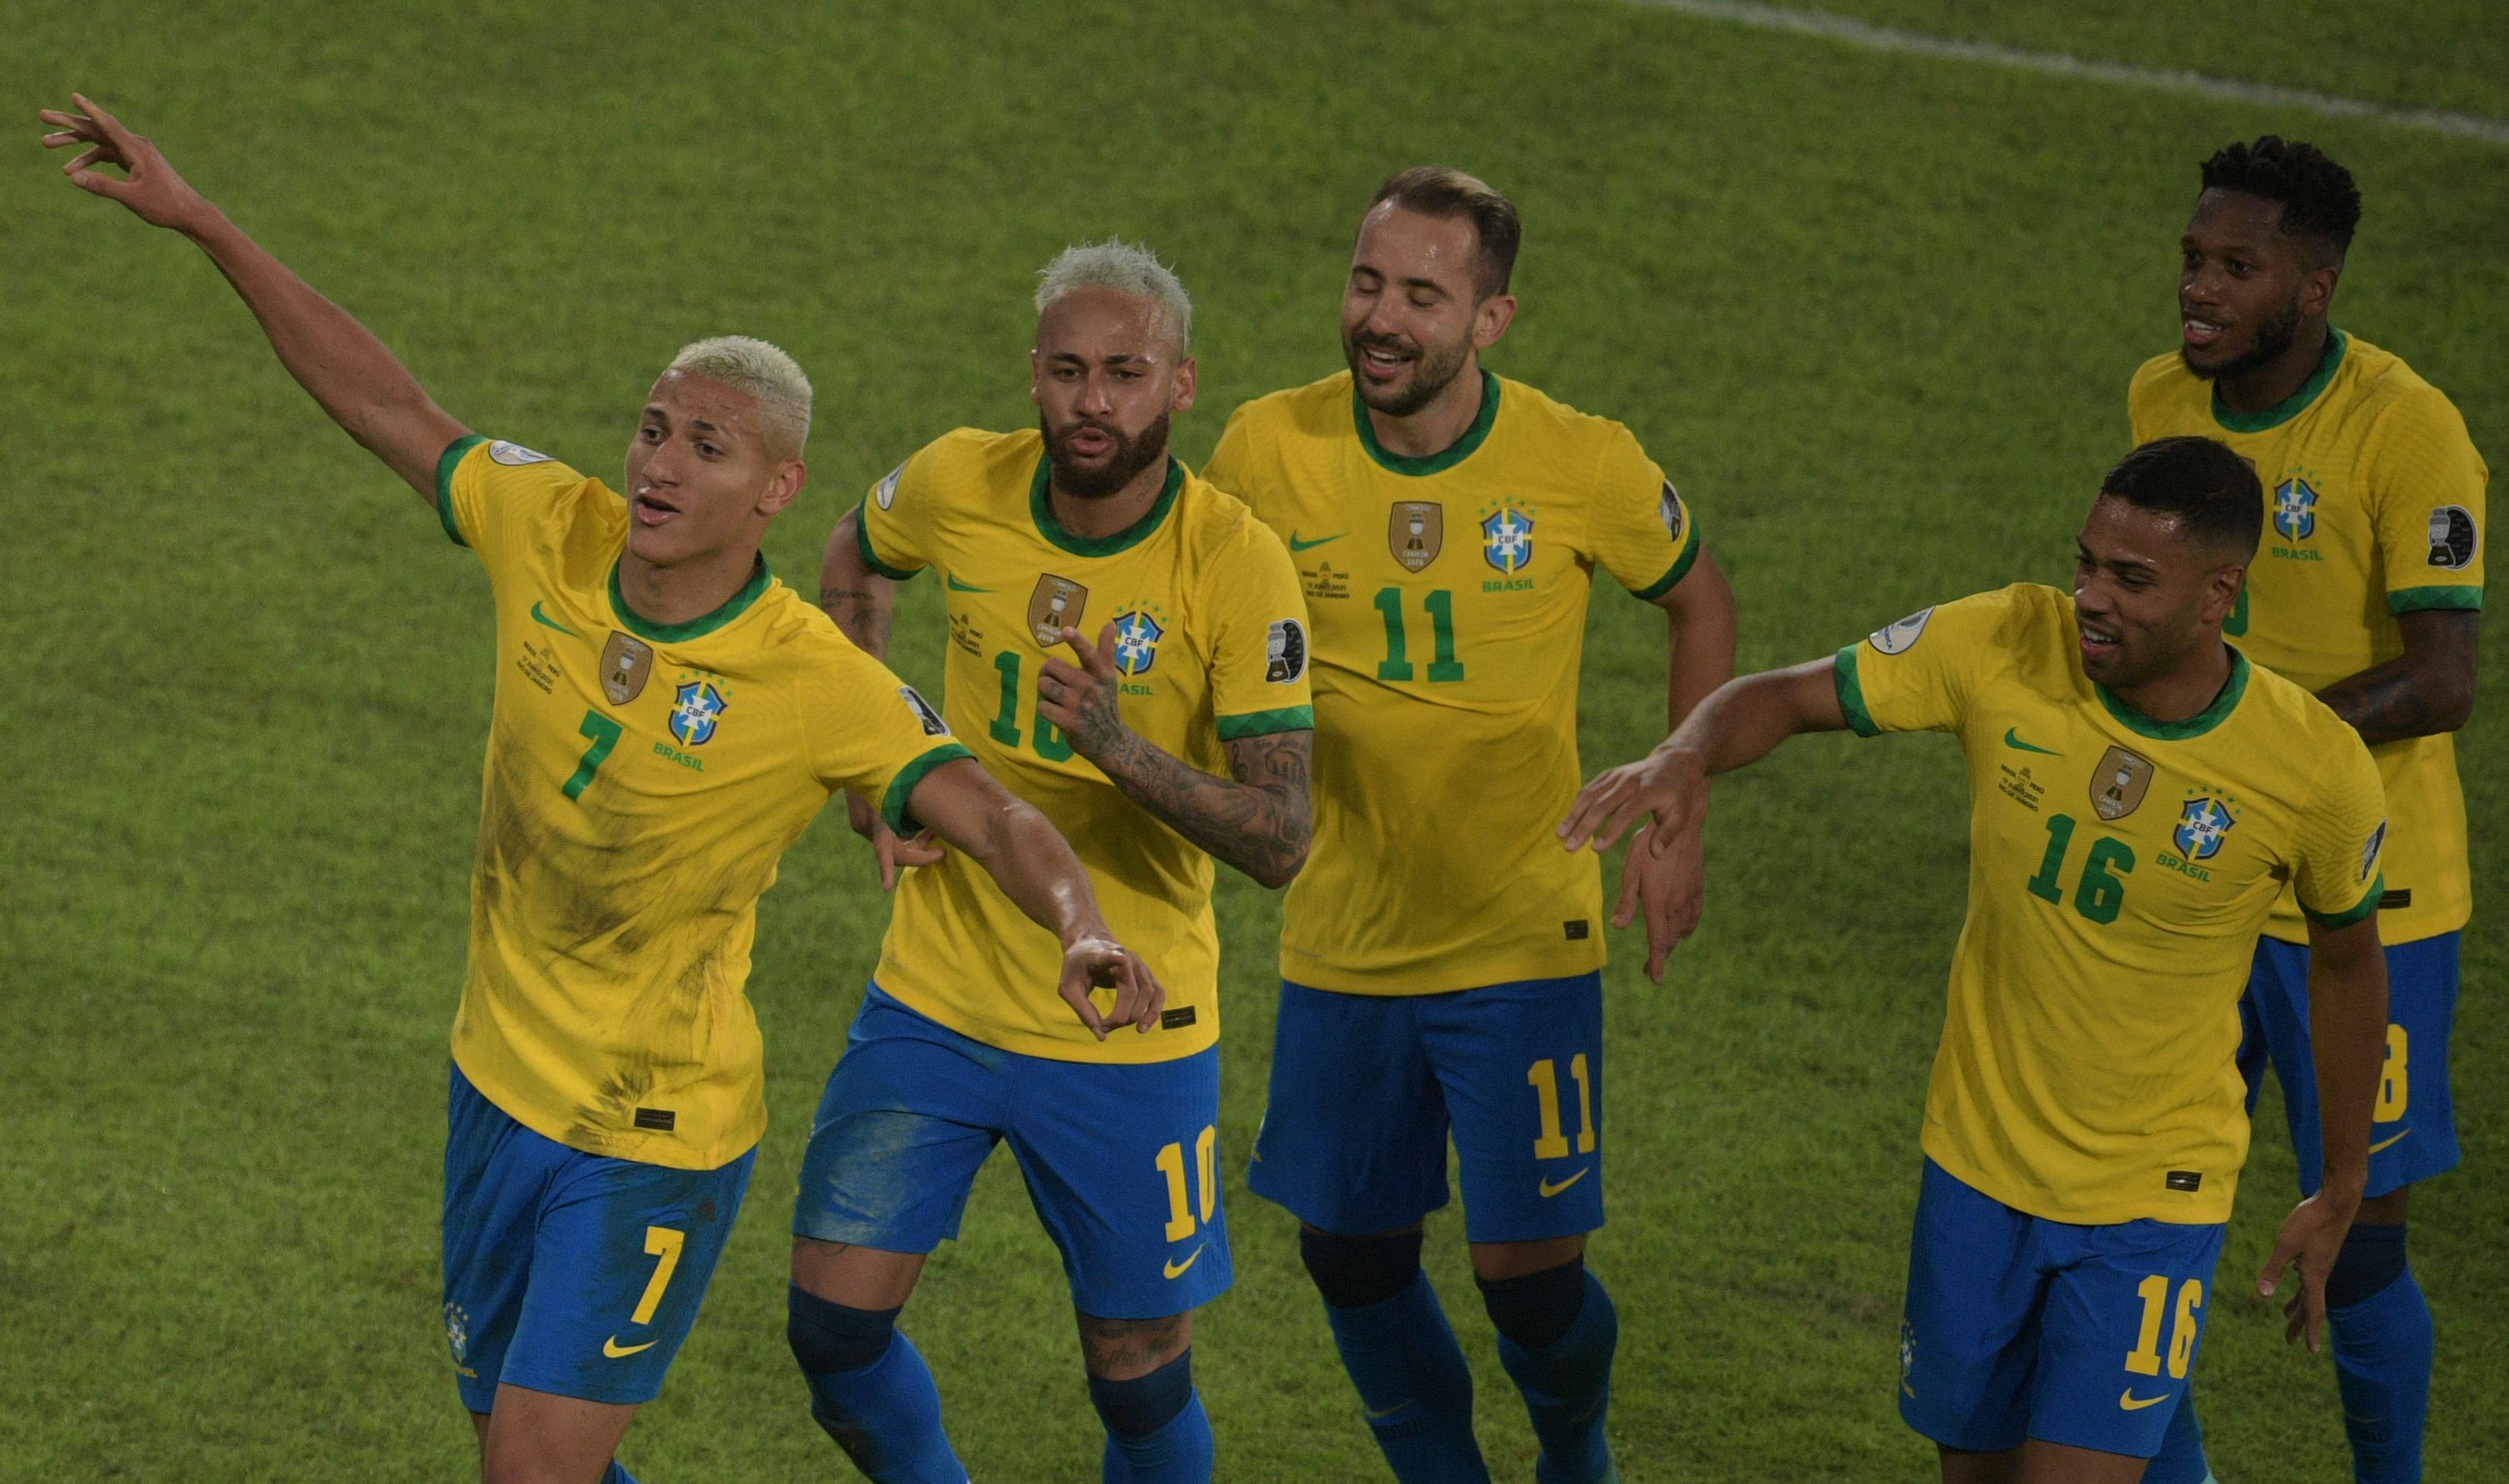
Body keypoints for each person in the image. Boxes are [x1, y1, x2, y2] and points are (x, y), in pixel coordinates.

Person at [39, 96, 1163, 1484]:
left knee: (529, 1471)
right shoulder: (545, 525)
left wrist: (1082, 923)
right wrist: (205, 220)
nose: (657, 464)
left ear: (774, 489)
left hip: (649, 1128)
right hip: (492, 1087)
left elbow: (989, 811)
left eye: (706, 446)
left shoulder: (813, 677)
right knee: (501, 1444)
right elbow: (387, 403)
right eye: (653, 427)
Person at [1563, 437, 2391, 1484]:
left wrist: (2344, 1177)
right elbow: (1783, 695)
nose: (2089, 596)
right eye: (2084, 562)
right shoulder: (2005, 639)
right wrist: (1682, 755)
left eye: (2130, 579)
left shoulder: (2311, 769)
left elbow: (2349, 964)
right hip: (1975, 1169)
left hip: (2150, 1193)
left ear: (2219, 592)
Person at [1201, 167, 1738, 1484]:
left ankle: (1576, 1452)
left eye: (1422, 296)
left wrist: (1677, 805)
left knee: (1527, 1279)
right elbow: (1205, 626)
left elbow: (1699, 601)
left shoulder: (1579, 460)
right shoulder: (1268, 447)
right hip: (1343, 932)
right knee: (1349, 1253)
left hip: (1520, 930)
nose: (1381, 318)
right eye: (1367, 283)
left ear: (1490, 319)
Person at [794, 241, 1314, 1484]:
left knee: (1136, 1374)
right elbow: (856, 559)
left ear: (1179, 386)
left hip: (1131, 1020)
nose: (1094, 401)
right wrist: (880, 757)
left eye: (1125, 374)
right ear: (1033, 374)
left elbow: (1282, 841)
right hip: (937, 993)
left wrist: (1119, 748)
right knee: (832, 1331)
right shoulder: (957, 481)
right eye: (1070, 371)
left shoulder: (1234, 562)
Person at [2127, 136, 2486, 1484]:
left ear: (2314, 285)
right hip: (2200, 878)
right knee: (2137, 1199)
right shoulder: (2161, 398)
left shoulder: (2407, 428)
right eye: (2191, 261)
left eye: (2237, 267)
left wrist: (2255, 747)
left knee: (2368, 1234)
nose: (2198, 292)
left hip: (2373, 896)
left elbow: (2442, 677)